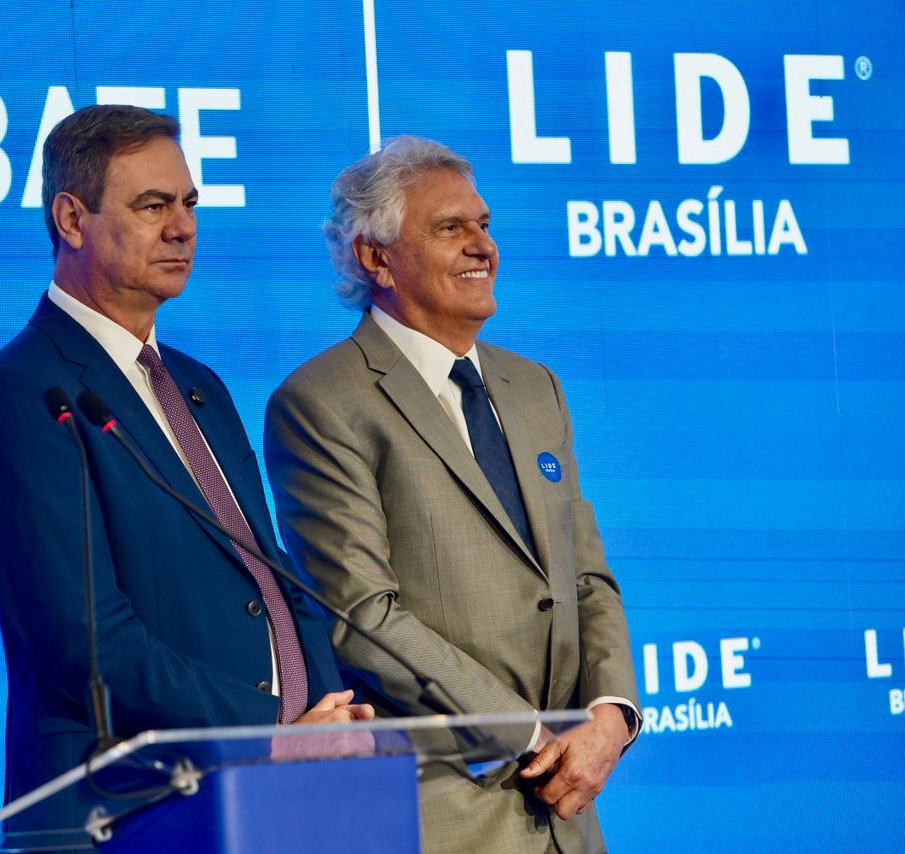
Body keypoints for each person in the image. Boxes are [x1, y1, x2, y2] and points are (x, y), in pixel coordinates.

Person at [0, 104, 370, 828]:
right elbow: (86, 639)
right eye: (153, 206)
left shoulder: (198, 383)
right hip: (128, 808)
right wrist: (273, 729)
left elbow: (271, 571)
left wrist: (327, 716)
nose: (182, 227)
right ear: (71, 219)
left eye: (189, 204)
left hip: (270, 795)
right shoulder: (21, 393)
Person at [263, 136, 641, 854]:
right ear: (375, 258)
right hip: (442, 812)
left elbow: (585, 576)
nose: (482, 246)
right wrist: (531, 734)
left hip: (571, 809)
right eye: (450, 228)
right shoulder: (323, 401)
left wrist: (610, 714)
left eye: (485, 225)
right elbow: (362, 614)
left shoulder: (536, 388)